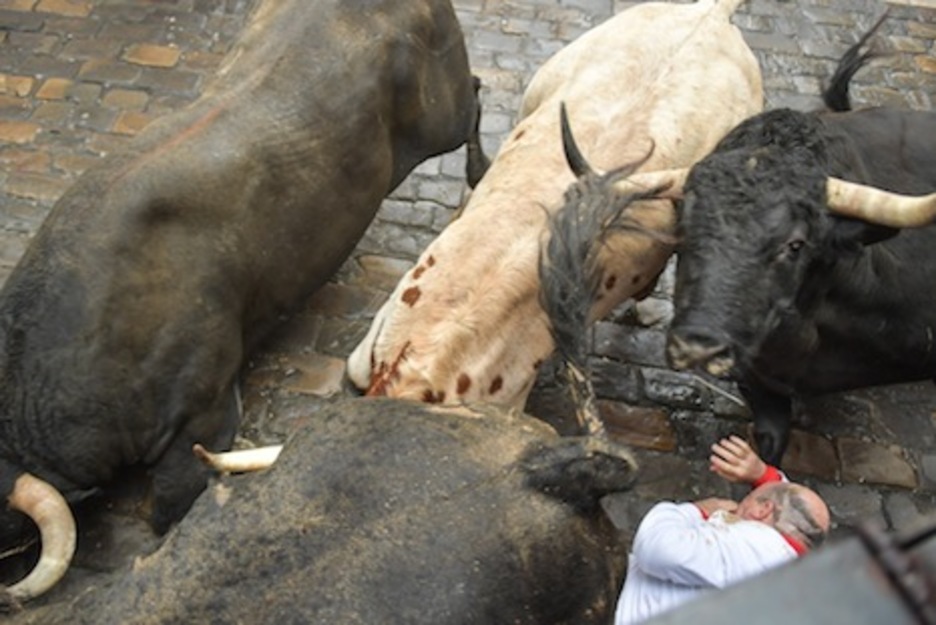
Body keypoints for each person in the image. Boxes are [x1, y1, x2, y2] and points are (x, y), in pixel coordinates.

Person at [613, 435, 831, 625]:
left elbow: (657, 548)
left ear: (763, 510)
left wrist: (697, 511)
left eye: (745, 501)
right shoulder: (795, 565)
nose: (736, 508)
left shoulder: (755, 547)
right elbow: (799, 511)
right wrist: (764, 475)